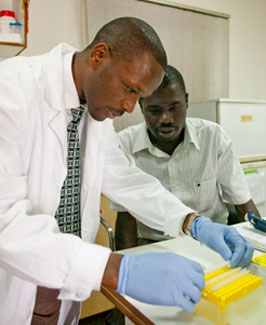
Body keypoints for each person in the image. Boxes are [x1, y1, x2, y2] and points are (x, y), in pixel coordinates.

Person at [0, 18, 253, 325]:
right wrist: (120, 270)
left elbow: (126, 179)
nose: (130, 106)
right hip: (14, 280)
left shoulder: (94, 111)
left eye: (138, 95)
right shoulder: (10, 91)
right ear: (99, 56)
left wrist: (192, 222)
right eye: (129, 88)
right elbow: (5, 224)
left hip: (66, 281)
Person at [112, 65, 260, 249]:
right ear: (141, 107)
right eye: (155, 110)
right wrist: (127, 264)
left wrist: (260, 249)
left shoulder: (213, 137)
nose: (166, 119)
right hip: (155, 246)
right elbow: (126, 218)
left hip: (211, 244)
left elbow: (242, 203)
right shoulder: (123, 144)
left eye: (174, 108)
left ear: (187, 101)